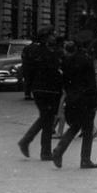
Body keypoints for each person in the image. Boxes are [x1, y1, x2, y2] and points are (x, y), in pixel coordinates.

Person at [52, 41, 97, 169]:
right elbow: (92, 83)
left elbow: (64, 82)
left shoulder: (67, 62)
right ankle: (85, 159)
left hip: (73, 99)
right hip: (86, 100)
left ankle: (59, 150)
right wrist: (95, 101)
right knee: (88, 130)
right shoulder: (87, 61)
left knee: (75, 126)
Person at [18, 25, 63, 161]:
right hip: (48, 89)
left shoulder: (34, 50)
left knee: (46, 118)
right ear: (46, 36)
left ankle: (38, 147)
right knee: (47, 118)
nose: (55, 37)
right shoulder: (48, 51)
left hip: (41, 89)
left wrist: (29, 86)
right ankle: (35, 146)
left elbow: (27, 70)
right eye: (53, 35)